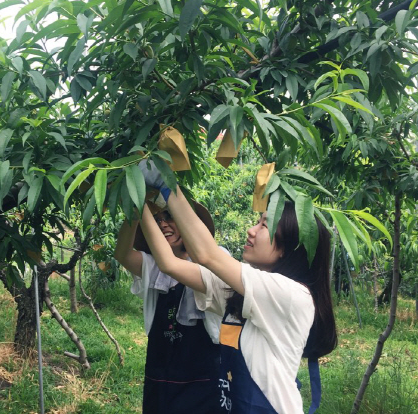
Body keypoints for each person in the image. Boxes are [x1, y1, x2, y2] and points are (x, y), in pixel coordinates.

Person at [137, 161, 337, 414]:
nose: (251, 231)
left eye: (263, 225)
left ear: (288, 246)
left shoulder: (290, 295)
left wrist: (168, 185)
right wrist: (137, 199)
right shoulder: (241, 293)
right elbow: (169, 264)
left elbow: (207, 255)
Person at [114, 197, 227, 414]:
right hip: (161, 373)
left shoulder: (217, 261)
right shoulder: (153, 265)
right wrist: (136, 211)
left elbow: (176, 266)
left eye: (170, 216)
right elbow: (123, 254)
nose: (162, 223)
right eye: (156, 220)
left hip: (204, 377)